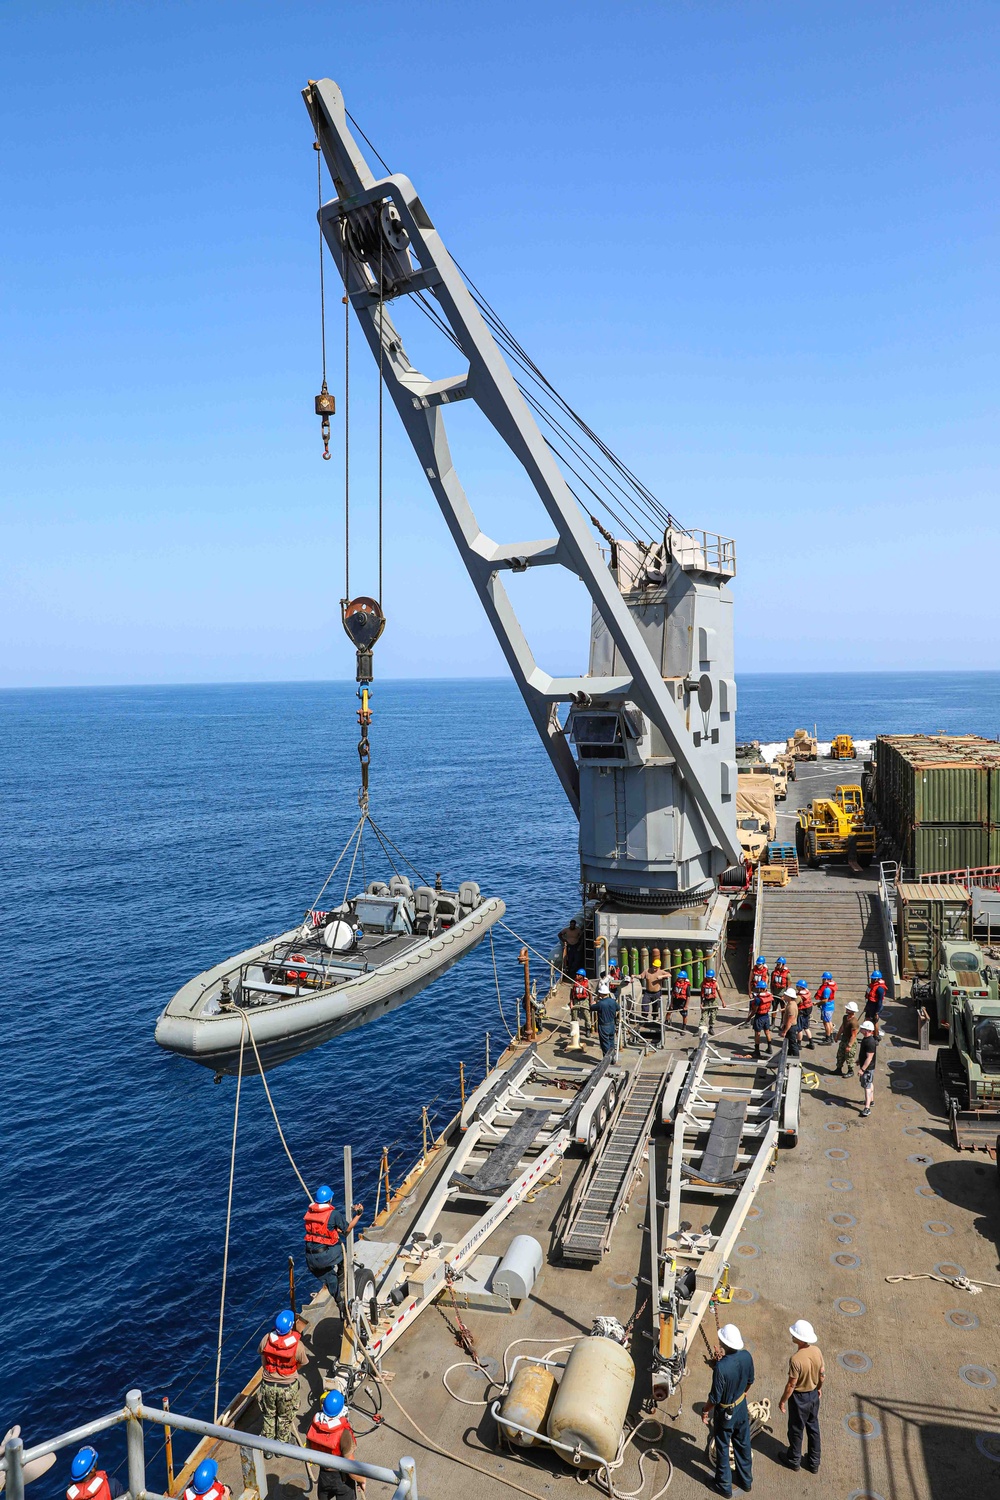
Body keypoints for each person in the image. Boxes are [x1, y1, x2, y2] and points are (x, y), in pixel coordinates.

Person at [701, 1323, 755, 1497]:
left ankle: (724, 1485)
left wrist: (705, 1410)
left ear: (723, 1344)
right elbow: (750, 1381)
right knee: (743, 1442)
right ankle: (746, 1480)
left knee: (723, 1447)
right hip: (741, 1407)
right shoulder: (747, 1356)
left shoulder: (721, 1368)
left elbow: (715, 1398)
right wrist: (741, 1395)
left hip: (726, 1413)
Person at [304, 1185, 364, 1305]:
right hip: (324, 1256)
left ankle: (340, 1303)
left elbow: (323, 1229)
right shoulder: (333, 1214)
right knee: (342, 1253)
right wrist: (358, 1215)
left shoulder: (310, 1212)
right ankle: (342, 1276)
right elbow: (347, 1229)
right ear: (330, 1199)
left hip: (310, 1258)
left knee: (330, 1278)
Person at [779, 1319, 824, 1474]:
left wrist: (783, 1401)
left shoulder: (796, 1359)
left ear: (800, 1339)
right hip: (813, 1396)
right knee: (813, 1428)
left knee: (796, 1429)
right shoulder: (817, 1351)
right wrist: (818, 1388)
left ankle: (793, 1459)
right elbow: (822, 1374)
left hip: (799, 1399)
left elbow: (791, 1385)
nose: (792, 1336)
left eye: (794, 1334)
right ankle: (813, 1462)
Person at [259, 1308, 309, 1446]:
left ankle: (268, 1447)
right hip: (287, 1387)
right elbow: (302, 1363)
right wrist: (290, 1370)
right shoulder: (298, 1346)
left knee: (269, 1415)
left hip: (268, 1385)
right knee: (284, 1417)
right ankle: (282, 1444)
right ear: (291, 1325)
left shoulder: (266, 1339)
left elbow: (263, 1361)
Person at [307, 1390, 365, 1500]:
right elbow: (350, 1466)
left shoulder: (313, 1426)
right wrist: (362, 1480)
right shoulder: (343, 1434)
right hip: (342, 1478)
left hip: (324, 1475)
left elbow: (309, 1451)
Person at [857, 1019, 879, 1117]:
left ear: (868, 1031)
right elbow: (864, 1054)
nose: (861, 1029)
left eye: (863, 1028)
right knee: (870, 1084)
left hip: (867, 1068)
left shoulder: (870, 1042)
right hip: (868, 1068)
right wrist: (859, 1060)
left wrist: (862, 1069)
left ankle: (867, 1108)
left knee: (867, 1087)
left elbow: (869, 1057)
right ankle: (871, 1101)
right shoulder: (866, 1039)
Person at [834, 1002, 860, 1076]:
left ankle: (850, 1071)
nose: (846, 1010)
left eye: (848, 1009)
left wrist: (849, 1045)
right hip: (844, 1039)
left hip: (850, 1041)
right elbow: (842, 1027)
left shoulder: (854, 1022)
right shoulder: (845, 1017)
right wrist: (837, 1036)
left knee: (849, 1056)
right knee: (840, 1054)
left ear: (851, 1011)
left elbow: (854, 1035)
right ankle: (838, 1069)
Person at [595, 980, 619, 1058]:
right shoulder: (613, 1001)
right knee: (611, 1042)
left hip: (603, 1026)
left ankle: (607, 1060)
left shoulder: (600, 1003)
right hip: (612, 1025)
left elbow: (591, 1007)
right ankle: (613, 1058)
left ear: (601, 994)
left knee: (605, 1044)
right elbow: (618, 1008)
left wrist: (596, 999)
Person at [750, 981, 772, 1056]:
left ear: (760, 989)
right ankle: (770, 1048)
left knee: (757, 1033)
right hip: (766, 1016)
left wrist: (749, 1017)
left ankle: (757, 1051)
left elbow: (755, 1010)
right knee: (767, 1032)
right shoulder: (769, 996)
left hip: (759, 1017)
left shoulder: (758, 999)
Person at [569, 969, 593, 1036]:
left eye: (578, 975)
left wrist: (591, 1003)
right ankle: (574, 1029)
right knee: (574, 1015)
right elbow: (571, 994)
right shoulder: (574, 982)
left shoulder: (587, 983)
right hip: (576, 1000)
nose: (576, 975)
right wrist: (571, 1003)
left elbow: (590, 994)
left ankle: (588, 1029)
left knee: (586, 1015)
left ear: (582, 976)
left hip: (584, 1000)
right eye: (576, 974)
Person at [816, 973, 837, 1043]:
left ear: (827, 980)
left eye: (823, 979)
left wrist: (817, 1003)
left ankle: (828, 1039)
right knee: (829, 1021)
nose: (822, 980)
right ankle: (830, 1037)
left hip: (826, 1007)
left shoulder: (827, 989)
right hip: (831, 1006)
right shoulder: (832, 986)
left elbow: (825, 1000)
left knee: (826, 1023)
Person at [865, 970, 887, 1036]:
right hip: (870, 1005)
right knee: (867, 1020)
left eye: (873, 978)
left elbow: (880, 1001)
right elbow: (868, 996)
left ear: (877, 979)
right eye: (872, 978)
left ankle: (876, 1036)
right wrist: (867, 1007)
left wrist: (877, 1012)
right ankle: (867, 1034)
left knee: (874, 1023)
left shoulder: (880, 989)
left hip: (875, 1007)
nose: (872, 979)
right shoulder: (871, 986)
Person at [794, 979, 815, 1051]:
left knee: (799, 1029)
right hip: (807, 1014)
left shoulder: (799, 997)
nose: (796, 987)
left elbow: (794, 1004)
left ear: (801, 987)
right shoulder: (807, 993)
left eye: (797, 986)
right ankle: (811, 1043)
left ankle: (798, 1044)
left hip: (801, 1014)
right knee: (806, 1028)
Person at [700, 968, 720, 1035]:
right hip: (706, 1001)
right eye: (707, 977)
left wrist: (723, 1002)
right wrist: (701, 1003)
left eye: (709, 977)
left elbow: (719, 992)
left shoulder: (715, 983)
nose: (708, 978)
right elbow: (702, 994)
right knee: (703, 1016)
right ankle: (700, 1029)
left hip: (713, 1001)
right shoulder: (703, 983)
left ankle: (711, 1028)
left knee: (713, 1016)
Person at [781, 987, 800, 1057]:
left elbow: (790, 1021)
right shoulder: (792, 1003)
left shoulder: (791, 1007)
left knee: (793, 1044)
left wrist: (785, 1031)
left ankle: (796, 1059)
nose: (784, 996)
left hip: (791, 1028)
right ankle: (789, 1056)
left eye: (785, 995)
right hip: (791, 1027)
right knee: (790, 1044)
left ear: (789, 997)